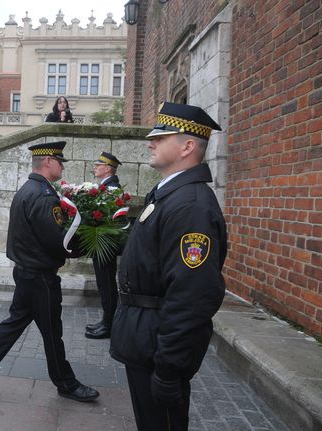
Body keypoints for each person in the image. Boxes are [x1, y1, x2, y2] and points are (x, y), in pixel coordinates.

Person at [110, 102, 227, 430]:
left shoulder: (190, 206)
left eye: (161, 138)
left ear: (188, 146)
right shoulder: (169, 195)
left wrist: (169, 368)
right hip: (146, 335)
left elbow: (192, 294)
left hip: (158, 344)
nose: (151, 142)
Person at [0, 141, 99, 403]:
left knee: (13, 324)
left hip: (26, 272)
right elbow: (57, 240)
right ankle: (66, 383)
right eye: (60, 161)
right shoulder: (43, 195)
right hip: (39, 277)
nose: (62, 165)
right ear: (47, 162)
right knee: (52, 333)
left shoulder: (29, 189)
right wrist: (87, 245)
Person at [85, 151, 122, 339]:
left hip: (106, 244)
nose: (95, 166)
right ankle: (106, 321)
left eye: (98, 164)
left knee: (106, 284)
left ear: (107, 168)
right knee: (103, 283)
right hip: (101, 243)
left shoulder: (112, 188)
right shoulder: (105, 186)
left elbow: (107, 216)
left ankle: (109, 324)